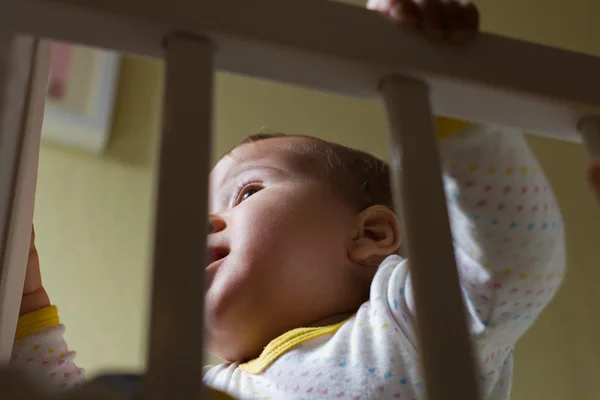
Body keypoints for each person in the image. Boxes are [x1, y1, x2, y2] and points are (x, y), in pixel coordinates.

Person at [10, 1, 567, 399]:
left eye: (246, 192)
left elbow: (513, 263)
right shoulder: (200, 383)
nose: (200, 222)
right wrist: (26, 308)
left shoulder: (407, 322)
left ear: (370, 235)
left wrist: (448, 104)